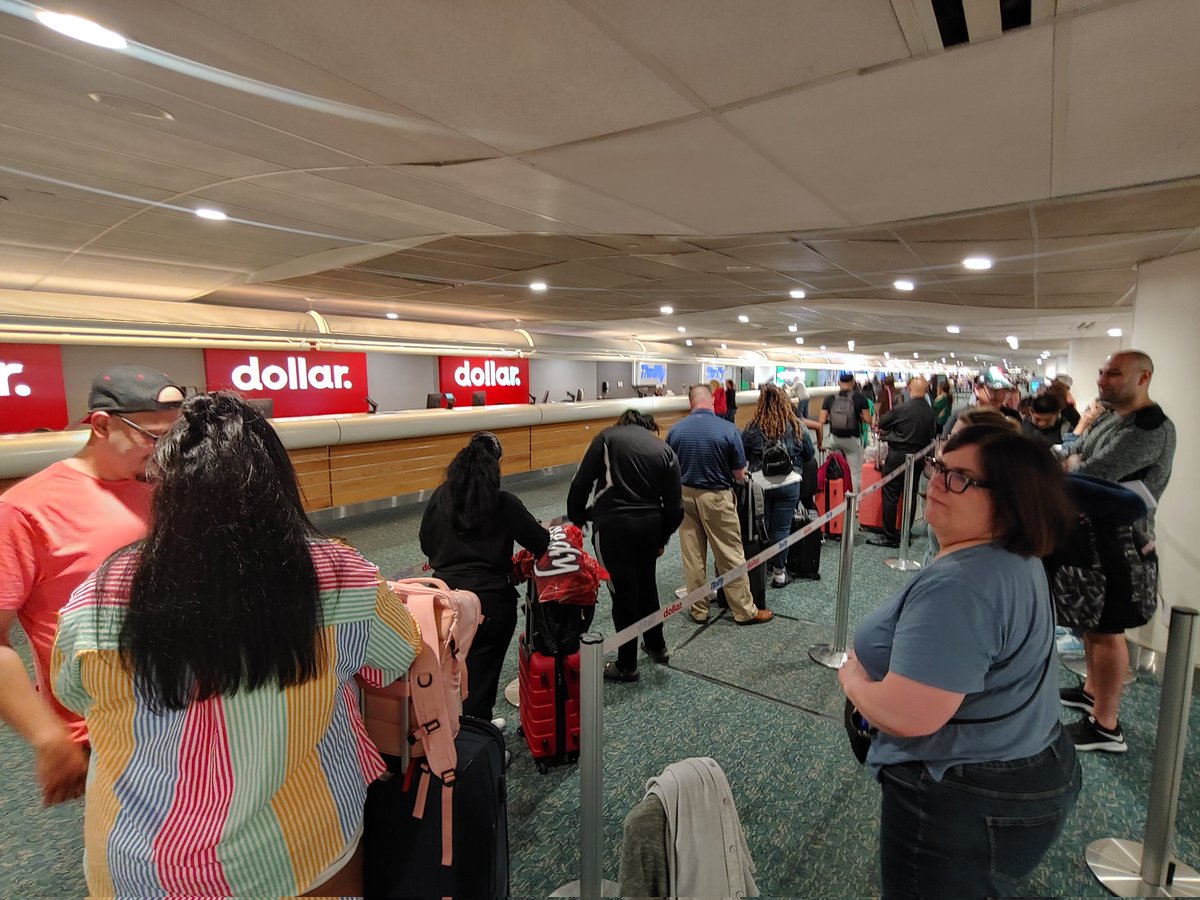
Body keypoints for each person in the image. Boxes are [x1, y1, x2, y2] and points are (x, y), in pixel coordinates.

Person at [50, 392, 422, 897]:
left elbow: (72, 692)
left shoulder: (100, 591)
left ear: (166, 488)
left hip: (138, 861)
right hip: (298, 850)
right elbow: (395, 657)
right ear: (278, 482)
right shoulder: (343, 576)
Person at [839, 426, 1081, 898]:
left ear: (1012, 499)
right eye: (940, 468)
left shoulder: (962, 585)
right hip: (1024, 760)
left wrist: (851, 677)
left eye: (960, 478)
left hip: (963, 793)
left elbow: (910, 714)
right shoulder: (1011, 556)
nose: (937, 482)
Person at [0, 364, 182, 806]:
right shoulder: (26, 509)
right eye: (154, 437)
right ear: (101, 425)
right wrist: (48, 737)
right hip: (103, 728)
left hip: (190, 708)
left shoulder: (170, 488)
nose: (166, 451)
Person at [1061, 350, 1175, 752]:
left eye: (1113, 373)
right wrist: (1074, 456)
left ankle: (1106, 725)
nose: (1102, 379)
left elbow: (1090, 470)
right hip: (1093, 536)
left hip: (1121, 543)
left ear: (1143, 378)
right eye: (1101, 371)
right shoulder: (1113, 417)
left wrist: (1075, 459)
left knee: (1109, 629)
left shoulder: (1150, 428)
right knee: (1092, 621)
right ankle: (1092, 691)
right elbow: (1072, 446)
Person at [420, 431, 550, 719]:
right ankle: (477, 745)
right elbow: (541, 542)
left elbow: (426, 545)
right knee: (480, 682)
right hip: (488, 604)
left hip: (442, 601)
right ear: (497, 465)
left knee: (450, 673)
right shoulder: (503, 502)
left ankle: (455, 733)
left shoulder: (439, 499)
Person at [568, 410, 683, 682]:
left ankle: (627, 663)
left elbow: (580, 483)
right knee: (647, 586)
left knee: (622, 593)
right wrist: (661, 539)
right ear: (649, 426)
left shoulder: (607, 437)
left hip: (613, 528)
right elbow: (676, 508)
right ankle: (657, 646)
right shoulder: (664, 449)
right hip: (650, 527)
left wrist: (576, 519)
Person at [666, 385, 773, 626]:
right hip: (716, 498)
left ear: (690, 403)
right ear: (712, 400)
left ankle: (699, 610)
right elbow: (738, 474)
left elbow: (669, 469)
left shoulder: (675, 431)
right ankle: (744, 610)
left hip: (684, 496)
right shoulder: (728, 429)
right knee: (730, 554)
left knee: (693, 557)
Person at [741, 385, 812, 588]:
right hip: (789, 483)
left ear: (760, 403)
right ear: (785, 402)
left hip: (760, 485)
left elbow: (742, 455)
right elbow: (808, 454)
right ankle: (779, 573)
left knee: (761, 528)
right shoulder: (797, 425)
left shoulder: (752, 427)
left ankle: (760, 570)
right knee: (782, 528)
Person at [869, 377, 937, 550]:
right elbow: (932, 434)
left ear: (909, 389)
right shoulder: (930, 412)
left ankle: (890, 535)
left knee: (891, 493)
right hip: (918, 457)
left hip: (898, 456)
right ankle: (905, 532)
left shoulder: (902, 409)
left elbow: (883, 422)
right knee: (911, 493)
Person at [819, 372, 871, 481]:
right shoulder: (860, 398)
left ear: (839, 383)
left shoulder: (829, 398)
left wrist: (833, 418)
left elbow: (822, 420)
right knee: (854, 472)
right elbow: (868, 419)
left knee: (836, 468)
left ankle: (837, 495)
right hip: (852, 439)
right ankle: (853, 497)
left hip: (834, 439)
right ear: (852, 383)